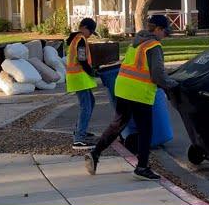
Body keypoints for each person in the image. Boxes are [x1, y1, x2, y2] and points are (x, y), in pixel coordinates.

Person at [85, 15, 178, 180]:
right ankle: (142, 167)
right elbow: (157, 75)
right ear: (157, 29)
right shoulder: (153, 46)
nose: (165, 35)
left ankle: (95, 153)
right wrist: (172, 85)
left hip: (122, 88)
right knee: (146, 130)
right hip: (139, 92)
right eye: (165, 31)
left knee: (117, 125)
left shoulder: (137, 42)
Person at [66, 17, 99, 150]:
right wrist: (91, 71)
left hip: (79, 77)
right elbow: (82, 59)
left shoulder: (77, 38)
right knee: (86, 106)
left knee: (91, 102)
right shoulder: (80, 39)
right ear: (83, 28)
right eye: (90, 31)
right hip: (79, 77)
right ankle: (79, 139)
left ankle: (81, 130)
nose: (90, 35)